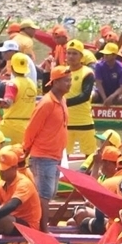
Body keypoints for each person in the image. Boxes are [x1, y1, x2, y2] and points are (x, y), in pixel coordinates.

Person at [22, 65, 71, 228]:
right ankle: (43, 229)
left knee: (51, 193)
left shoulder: (62, 101)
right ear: (55, 82)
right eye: (66, 81)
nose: (70, 84)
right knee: (44, 194)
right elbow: (31, 129)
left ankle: (42, 226)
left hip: (56, 155)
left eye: (70, 80)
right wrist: (25, 149)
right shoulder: (46, 103)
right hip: (43, 155)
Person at [0, 146, 41, 235]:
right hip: (11, 219)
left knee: (5, 220)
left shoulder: (24, 183)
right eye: (0, 169)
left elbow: (12, 205)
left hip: (28, 226)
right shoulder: (0, 184)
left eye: (4, 169)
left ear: (14, 168)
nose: (1, 172)